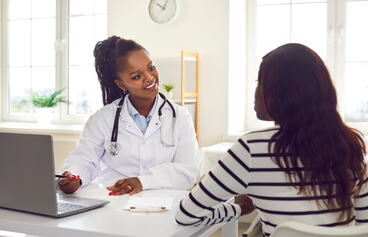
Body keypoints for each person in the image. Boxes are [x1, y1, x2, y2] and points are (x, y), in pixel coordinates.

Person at [175, 43, 368, 236]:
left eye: (260, 82)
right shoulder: (350, 146)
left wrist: (240, 207)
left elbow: (187, 214)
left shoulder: (252, 150)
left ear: (282, 93)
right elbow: (363, 226)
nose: (256, 92)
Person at [57, 36, 200, 196]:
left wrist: (142, 181)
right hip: (114, 204)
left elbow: (187, 172)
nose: (149, 77)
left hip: (163, 205)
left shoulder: (180, 117)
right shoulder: (103, 119)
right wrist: (73, 176)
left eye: (150, 67)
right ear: (121, 84)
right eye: (136, 76)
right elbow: (84, 159)